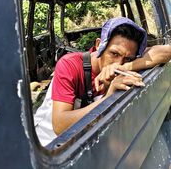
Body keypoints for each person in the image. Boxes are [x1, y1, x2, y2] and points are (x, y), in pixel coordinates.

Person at [34, 17, 171, 146]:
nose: (118, 63)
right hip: (48, 144)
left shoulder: (124, 61)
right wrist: (108, 98)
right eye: (114, 54)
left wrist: (127, 66)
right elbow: (60, 125)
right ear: (99, 45)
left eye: (128, 58)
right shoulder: (70, 65)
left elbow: (166, 51)